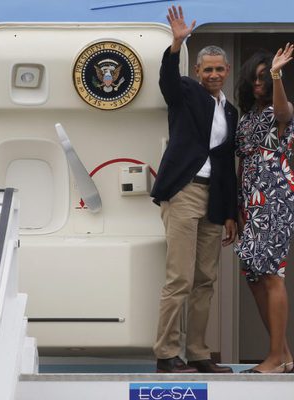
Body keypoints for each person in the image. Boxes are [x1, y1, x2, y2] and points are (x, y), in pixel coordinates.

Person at [150, 5, 238, 373]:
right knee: (180, 278)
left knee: (205, 281)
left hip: (214, 200)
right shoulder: (186, 91)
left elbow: (227, 165)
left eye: (220, 69)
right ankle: (166, 354)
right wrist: (176, 45)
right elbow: (167, 80)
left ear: (226, 72)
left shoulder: (230, 111)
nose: (214, 74)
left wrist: (231, 212)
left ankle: (199, 354)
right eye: (208, 69)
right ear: (198, 72)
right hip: (184, 191)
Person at [235, 44, 294, 373]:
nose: (259, 84)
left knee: (272, 276)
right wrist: (238, 205)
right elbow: (242, 162)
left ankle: (274, 357)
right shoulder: (246, 118)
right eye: (255, 79)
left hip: (274, 199)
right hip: (249, 203)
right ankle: (284, 355)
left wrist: (276, 73)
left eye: (264, 79)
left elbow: (284, 113)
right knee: (254, 277)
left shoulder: (279, 110)